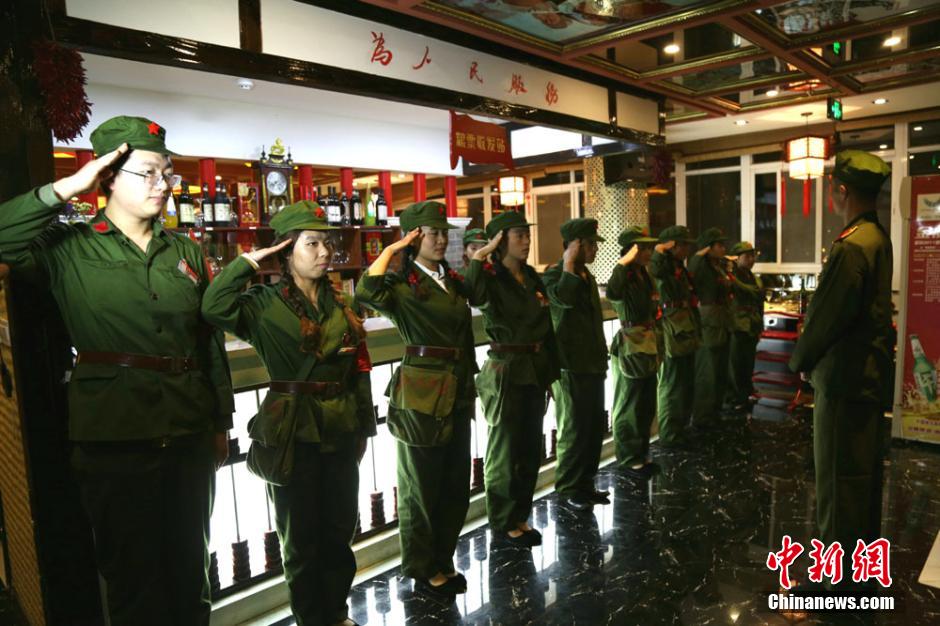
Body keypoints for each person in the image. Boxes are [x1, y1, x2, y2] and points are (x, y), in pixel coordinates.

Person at [0, 116, 233, 626]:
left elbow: (207, 338)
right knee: (133, 580)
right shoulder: (71, 248)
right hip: (115, 435)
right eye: (147, 173)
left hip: (189, 427)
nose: (164, 186)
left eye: (168, 174)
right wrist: (65, 188)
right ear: (106, 177)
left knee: (190, 570)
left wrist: (220, 422)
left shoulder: (186, 251)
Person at [201, 201, 375, 626]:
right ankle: (312, 619)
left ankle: (335, 612)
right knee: (299, 539)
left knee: (338, 532)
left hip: (339, 426)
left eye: (327, 243)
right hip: (292, 431)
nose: (324, 252)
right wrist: (245, 263)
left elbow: (358, 371)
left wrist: (363, 431)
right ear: (287, 250)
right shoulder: (263, 303)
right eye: (312, 243)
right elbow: (213, 307)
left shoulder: (341, 305)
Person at [355, 201, 477, 600]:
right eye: (430, 233)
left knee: (455, 485)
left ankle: (443, 558)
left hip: (456, 389)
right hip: (423, 393)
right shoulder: (402, 285)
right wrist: (391, 250)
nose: (440, 239)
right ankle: (423, 567)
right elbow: (365, 291)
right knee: (421, 487)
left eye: (444, 232)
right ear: (413, 238)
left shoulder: (451, 280)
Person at [789, 150, 893, 585]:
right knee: (861, 478)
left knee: (836, 479)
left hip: (843, 380)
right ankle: (860, 570)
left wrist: (800, 361)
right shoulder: (877, 236)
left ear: (843, 191)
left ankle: (836, 582)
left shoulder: (851, 247)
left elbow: (827, 318)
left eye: (833, 189)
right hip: (867, 377)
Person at [464, 211, 560, 546]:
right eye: (518, 235)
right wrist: (479, 256)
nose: (526, 241)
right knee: (505, 453)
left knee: (530, 450)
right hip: (506, 370)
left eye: (526, 235)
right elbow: (472, 295)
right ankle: (503, 521)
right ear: (500, 240)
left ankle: (520, 515)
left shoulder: (532, 277)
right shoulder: (490, 277)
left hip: (533, 368)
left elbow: (545, 326)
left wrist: (550, 374)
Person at [542, 218, 608, 511]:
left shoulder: (586, 276)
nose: (595, 250)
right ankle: (569, 486)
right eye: (590, 244)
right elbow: (563, 303)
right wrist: (568, 263)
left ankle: (585, 483)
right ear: (575, 245)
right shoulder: (555, 275)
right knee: (574, 429)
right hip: (569, 366)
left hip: (592, 362)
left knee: (593, 427)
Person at [607, 226, 661, 478]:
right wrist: (622, 262)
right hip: (632, 342)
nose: (649, 252)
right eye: (643, 248)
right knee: (630, 403)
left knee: (646, 402)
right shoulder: (625, 274)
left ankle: (641, 452)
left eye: (650, 247)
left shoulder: (642, 274)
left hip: (648, 340)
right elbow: (613, 293)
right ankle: (629, 457)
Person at [649, 225, 698, 447]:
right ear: (673, 246)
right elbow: (656, 271)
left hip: (685, 326)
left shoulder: (678, 266)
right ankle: (669, 434)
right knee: (671, 384)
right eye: (683, 245)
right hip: (672, 328)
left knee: (685, 383)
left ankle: (680, 429)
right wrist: (660, 250)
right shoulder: (661, 264)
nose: (687, 249)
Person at [688, 227, 733, 429]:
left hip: (722, 320)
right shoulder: (701, 265)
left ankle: (716, 410)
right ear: (709, 248)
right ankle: (703, 417)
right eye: (719, 245)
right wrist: (701, 252)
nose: (723, 248)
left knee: (721, 369)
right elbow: (693, 268)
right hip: (709, 322)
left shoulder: (718, 266)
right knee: (708, 371)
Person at [724, 241, 764, 417]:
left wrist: (760, 325)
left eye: (752, 256)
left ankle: (745, 394)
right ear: (737, 258)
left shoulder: (753, 278)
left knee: (748, 363)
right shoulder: (731, 278)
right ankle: (734, 399)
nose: (751, 259)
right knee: (735, 365)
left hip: (751, 325)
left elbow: (758, 301)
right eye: (746, 256)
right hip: (736, 325)